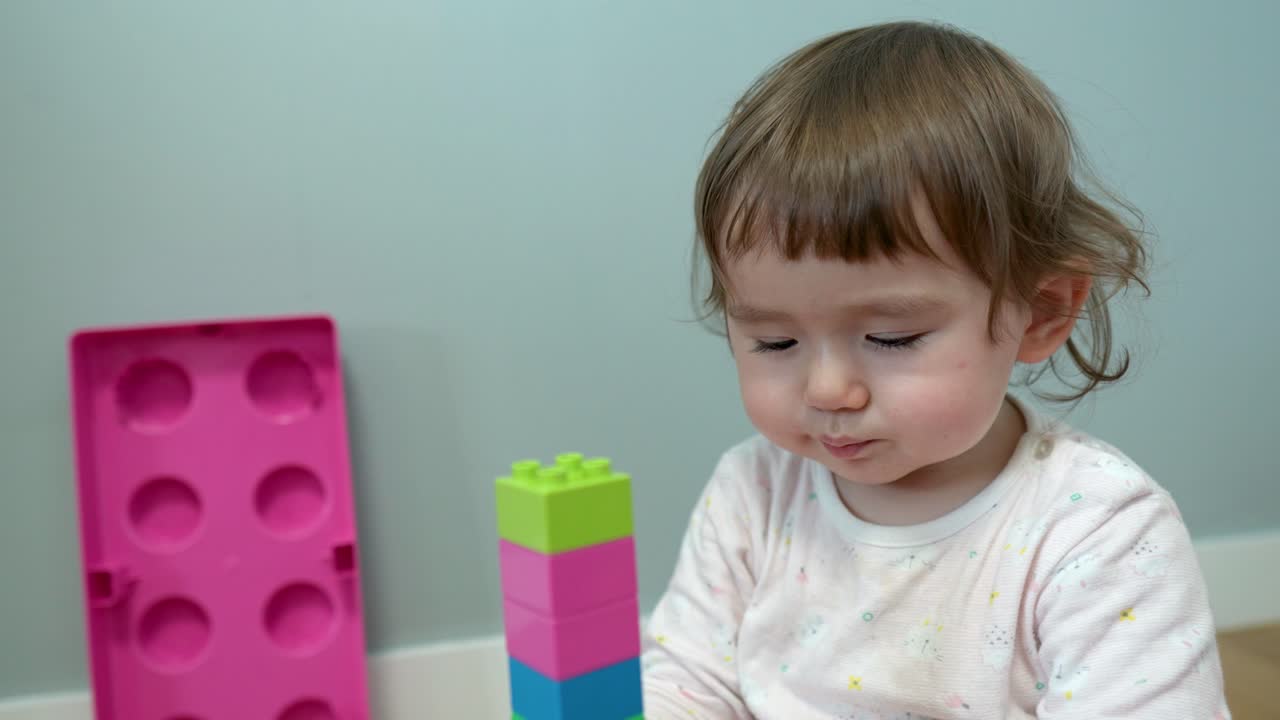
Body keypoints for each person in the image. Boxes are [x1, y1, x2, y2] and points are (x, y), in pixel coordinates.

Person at [641, 20, 1230, 719]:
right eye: (774, 343)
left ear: (1040, 311)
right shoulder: (754, 493)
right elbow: (687, 681)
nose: (828, 390)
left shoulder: (1098, 531)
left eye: (891, 338)